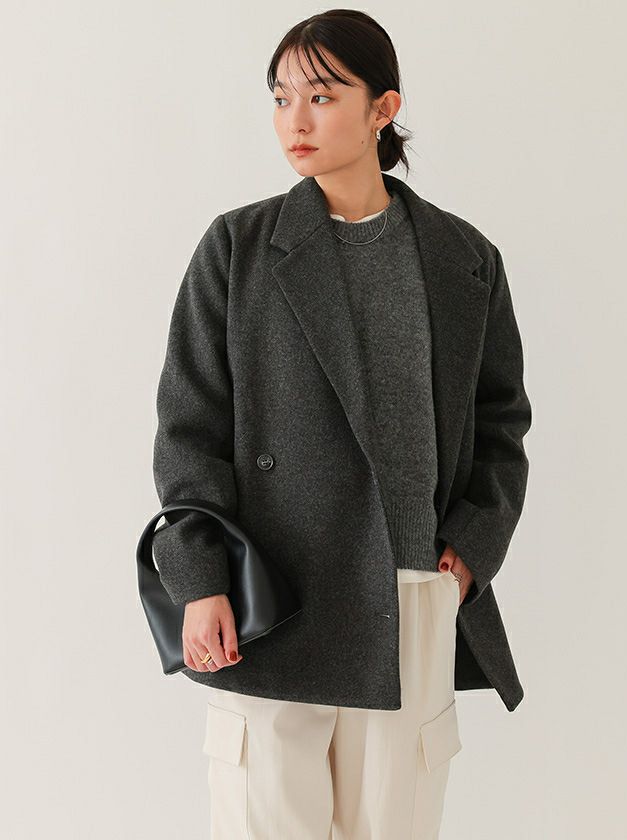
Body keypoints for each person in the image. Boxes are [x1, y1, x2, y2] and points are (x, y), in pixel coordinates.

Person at [151, 9, 532, 840]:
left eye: (322, 96)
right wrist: (200, 578)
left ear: (383, 108)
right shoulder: (238, 247)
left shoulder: (464, 259)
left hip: (409, 596)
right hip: (272, 598)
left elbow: (501, 420)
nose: (295, 118)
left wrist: (470, 550)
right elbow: (189, 426)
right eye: (281, 96)